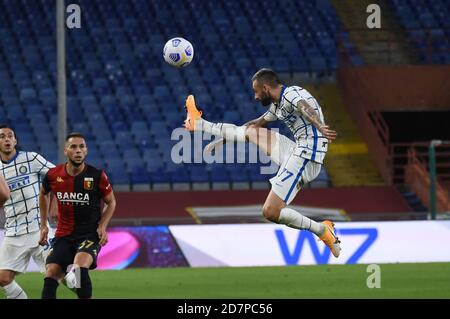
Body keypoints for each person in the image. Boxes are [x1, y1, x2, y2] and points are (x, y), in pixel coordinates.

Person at [183, 68, 341, 257]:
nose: (255, 96)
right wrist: (222, 140)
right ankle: (200, 123)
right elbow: (253, 126)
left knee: (270, 211)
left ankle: (323, 231)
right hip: (296, 150)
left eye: (257, 91)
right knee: (252, 131)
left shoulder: (292, 94)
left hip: (307, 156)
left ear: (266, 88)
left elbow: (303, 106)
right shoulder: (277, 105)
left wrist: (318, 124)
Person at [39, 132, 116, 299]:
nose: (78, 150)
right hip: (63, 235)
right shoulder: (53, 175)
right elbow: (43, 193)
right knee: (50, 274)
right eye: (73, 147)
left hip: (88, 234)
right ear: (66, 151)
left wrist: (102, 225)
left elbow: (111, 202)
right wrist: (43, 224)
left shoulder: (97, 176)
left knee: (79, 269)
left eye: (82, 147)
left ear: (86, 151)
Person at [0, 125, 55, 299]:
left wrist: (55, 204)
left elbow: (59, 177)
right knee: (3, 278)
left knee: (59, 272)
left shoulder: (31, 159)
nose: (7, 139)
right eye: (2, 137)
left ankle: (85, 291)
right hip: (14, 232)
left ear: (15, 140)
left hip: (39, 228)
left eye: (10, 136)